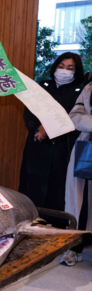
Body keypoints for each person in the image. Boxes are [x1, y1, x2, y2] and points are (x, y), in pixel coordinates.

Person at [19, 52, 83, 229]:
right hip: (38, 144)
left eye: (70, 68)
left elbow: (72, 116)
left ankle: (58, 226)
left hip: (64, 146)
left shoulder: (81, 89)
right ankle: (31, 222)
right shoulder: (43, 86)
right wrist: (38, 128)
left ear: (76, 71)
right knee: (33, 184)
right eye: (61, 66)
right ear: (55, 67)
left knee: (59, 186)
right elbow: (30, 110)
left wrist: (50, 129)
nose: (65, 71)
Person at [63, 80, 92, 266]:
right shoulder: (89, 87)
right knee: (81, 201)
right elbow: (74, 115)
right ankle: (74, 248)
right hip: (88, 147)